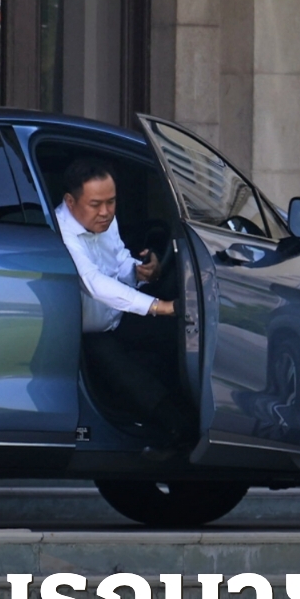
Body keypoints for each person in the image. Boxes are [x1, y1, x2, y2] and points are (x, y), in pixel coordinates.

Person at [54, 157, 193, 446]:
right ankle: (176, 428)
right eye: (96, 204)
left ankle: (198, 415)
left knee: (182, 335)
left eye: (112, 202)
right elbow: (93, 282)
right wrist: (159, 306)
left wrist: (142, 271)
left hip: (116, 318)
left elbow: (118, 260)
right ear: (70, 202)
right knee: (117, 364)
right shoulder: (61, 232)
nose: (106, 212)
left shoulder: (105, 220)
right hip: (85, 335)